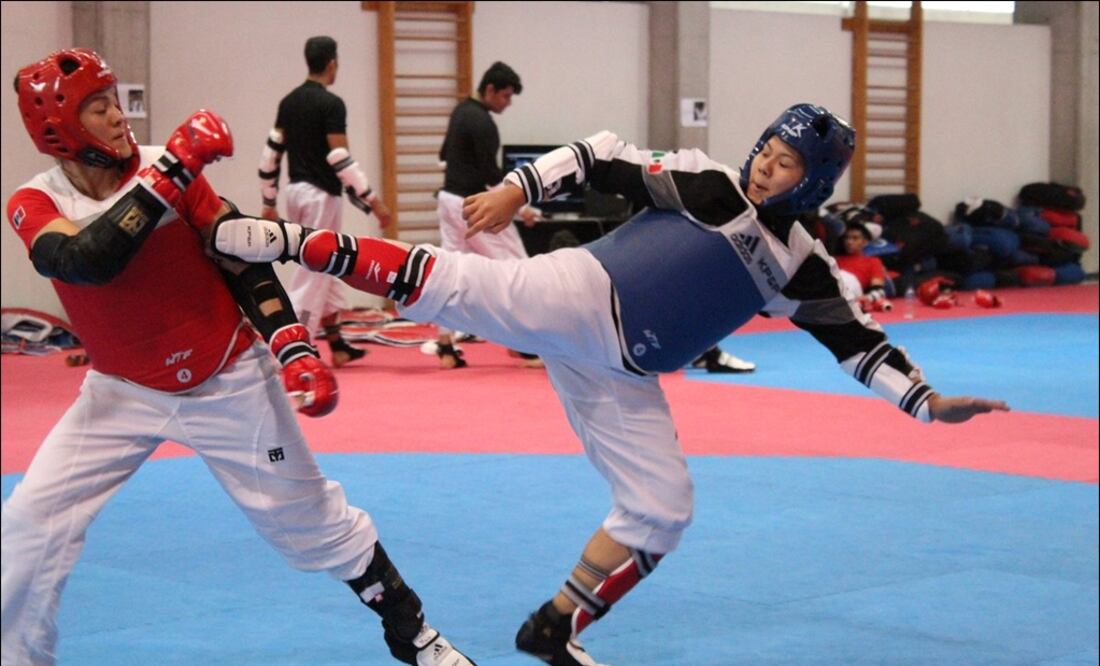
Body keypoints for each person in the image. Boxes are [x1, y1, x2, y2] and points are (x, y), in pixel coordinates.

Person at [213, 102, 1010, 666]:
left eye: (787, 160)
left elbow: (857, 343)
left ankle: (553, 628)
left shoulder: (801, 264)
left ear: (813, 181)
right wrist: (518, 189)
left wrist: (926, 402)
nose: (767, 162)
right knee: (454, 282)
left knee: (664, 509)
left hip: (621, 374)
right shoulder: (705, 183)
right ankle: (281, 240)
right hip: (580, 294)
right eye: (768, 146)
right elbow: (600, 151)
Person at [1, 48, 473, 666]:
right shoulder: (39, 201)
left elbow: (241, 256)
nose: (118, 117)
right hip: (121, 393)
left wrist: (293, 345)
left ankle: (415, 637)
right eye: (98, 108)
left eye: (115, 101)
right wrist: (170, 171)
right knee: (29, 525)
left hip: (227, 377)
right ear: (58, 128)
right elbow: (84, 261)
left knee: (312, 525)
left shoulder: (169, 173)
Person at [259, 36, 391, 368]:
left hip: (295, 193)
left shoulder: (288, 102)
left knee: (326, 267)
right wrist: (373, 201)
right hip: (321, 196)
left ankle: (338, 344)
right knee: (314, 271)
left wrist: (268, 200)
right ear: (332, 63)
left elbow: (271, 154)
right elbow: (339, 156)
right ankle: (293, 350)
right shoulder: (332, 104)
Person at [434, 61, 540, 369]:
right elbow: (491, 175)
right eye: (505, 96)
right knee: (517, 268)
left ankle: (445, 346)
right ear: (490, 89)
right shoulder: (483, 123)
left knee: (449, 273)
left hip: (449, 199)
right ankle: (524, 345)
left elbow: (443, 156)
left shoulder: (460, 112)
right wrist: (523, 208)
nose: (507, 103)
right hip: (473, 204)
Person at [835, 219, 894, 313]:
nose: (849, 242)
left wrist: (867, 298)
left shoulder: (872, 261)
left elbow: (879, 290)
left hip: (852, 295)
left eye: (855, 238)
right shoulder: (834, 260)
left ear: (865, 242)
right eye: (847, 238)